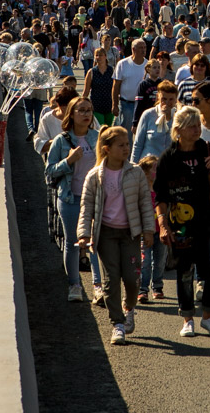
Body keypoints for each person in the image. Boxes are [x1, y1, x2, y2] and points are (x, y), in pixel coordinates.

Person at [154, 105, 210, 337]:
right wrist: (162, 223)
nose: (196, 130)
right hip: (182, 225)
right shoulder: (168, 158)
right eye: (191, 126)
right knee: (185, 271)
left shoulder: (208, 149)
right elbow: (160, 195)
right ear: (178, 129)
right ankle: (187, 318)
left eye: (198, 125)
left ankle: (208, 317)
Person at [75, 126, 155, 345]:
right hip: (106, 234)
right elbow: (87, 207)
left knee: (132, 278)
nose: (126, 149)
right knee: (111, 278)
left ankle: (129, 307)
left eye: (128, 144)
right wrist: (83, 234)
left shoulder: (136, 172)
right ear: (107, 149)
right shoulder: (94, 176)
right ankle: (117, 324)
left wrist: (149, 230)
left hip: (130, 233)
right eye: (121, 145)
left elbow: (145, 204)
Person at [46, 97, 103, 303]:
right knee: (73, 243)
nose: (87, 114)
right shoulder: (61, 141)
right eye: (82, 110)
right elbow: (49, 172)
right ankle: (75, 284)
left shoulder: (98, 138)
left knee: (95, 242)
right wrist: (68, 161)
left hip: (94, 198)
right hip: (70, 198)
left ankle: (98, 287)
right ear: (72, 114)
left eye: (89, 110)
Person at [135, 154, 167, 302]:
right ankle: (143, 289)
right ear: (145, 172)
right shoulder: (141, 191)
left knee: (160, 260)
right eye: (155, 168)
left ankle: (158, 286)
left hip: (160, 230)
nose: (158, 171)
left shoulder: (162, 190)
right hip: (145, 231)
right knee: (145, 261)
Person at [131, 80, 179, 163]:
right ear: (158, 97)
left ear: (176, 100)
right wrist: (133, 167)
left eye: (171, 99)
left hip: (169, 165)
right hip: (149, 164)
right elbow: (138, 144)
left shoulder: (179, 116)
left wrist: (169, 118)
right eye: (164, 99)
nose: (167, 103)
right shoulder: (148, 115)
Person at [112, 38, 149, 129]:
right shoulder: (122, 64)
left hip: (143, 105)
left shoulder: (148, 65)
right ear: (133, 49)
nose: (143, 50)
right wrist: (114, 105)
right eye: (140, 47)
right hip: (126, 104)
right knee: (126, 132)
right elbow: (116, 86)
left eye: (144, 47)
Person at [35, 87, 80, 156]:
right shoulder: (48, 118)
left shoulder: (84, 115)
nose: (71, 111)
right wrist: (60, 140)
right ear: (59, 105)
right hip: (58, 162)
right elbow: (39, 145)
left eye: (74, 107)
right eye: (67, 108)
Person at [81, 47, 116, 127]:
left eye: (100, 55)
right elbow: (86, 91)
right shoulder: (91, 72)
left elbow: (116, 87)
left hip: (110, 104)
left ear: (105, 56)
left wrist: (116, 103)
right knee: (99, 128)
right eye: (96, 55)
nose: (98, 57)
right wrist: (82, 104)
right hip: (96, 105)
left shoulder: (112, 70)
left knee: (109, 129)